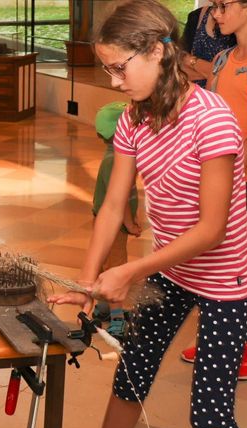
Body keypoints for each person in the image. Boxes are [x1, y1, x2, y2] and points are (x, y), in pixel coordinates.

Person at [48, 0, 247, 428]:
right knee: (132, 371)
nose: (114, 81)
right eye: (109, 70)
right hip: (172, 268)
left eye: (120, 68)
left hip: (225, 278)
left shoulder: (212, 119)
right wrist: (87, 282)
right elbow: (110, 208)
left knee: (211, 411)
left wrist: (131, 270)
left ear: (157, 52)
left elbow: (211, 231)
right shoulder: (132, 119)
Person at [179, 0, 247, 380]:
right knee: (214, 259)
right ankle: (216, 338)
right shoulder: (224, 58)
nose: (216, 14)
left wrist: (229, 171)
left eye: (223, 6)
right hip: (219, 176)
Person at [91, 101, 142, 339]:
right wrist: (130, 223)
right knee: (117, 267)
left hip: (106, 219)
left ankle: (102, 306)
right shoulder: (116, 163)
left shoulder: (113, 157)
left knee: (108, 262)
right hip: (115, 225)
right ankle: (117, 319)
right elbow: (118, 201)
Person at [180, 1, 237, 87]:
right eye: (215, 6)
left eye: (223, 6)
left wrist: (192, 61)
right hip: (192, 93)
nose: (216, 14)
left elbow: (234, 77)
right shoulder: (197, 16)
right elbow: (179, 60)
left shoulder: (239, 24)